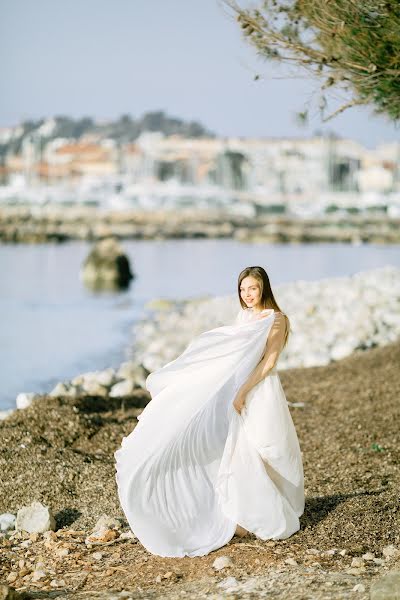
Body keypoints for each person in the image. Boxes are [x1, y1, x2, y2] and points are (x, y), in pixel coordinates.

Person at [114, 265, 304, 558]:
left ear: (264, 287)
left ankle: (271, 509)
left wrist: (242, 391)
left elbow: (269, 363)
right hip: (241, 389)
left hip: (261, 390)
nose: (247, 294)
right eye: (242, 289)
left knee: (269, 449)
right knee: (239, 449)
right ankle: (246, 513)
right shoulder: (245, 317)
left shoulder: (277, 320)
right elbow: (232, 354)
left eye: (252, 288)